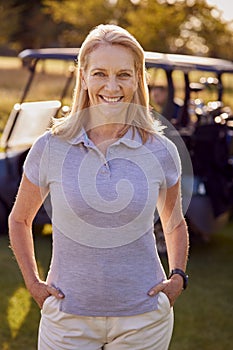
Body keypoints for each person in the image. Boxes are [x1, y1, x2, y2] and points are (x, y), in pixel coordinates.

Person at [9, 24, 189, 350]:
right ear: (83, 77)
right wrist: (34, 284)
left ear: (138, 78)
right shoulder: (51, 146)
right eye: (99, 73)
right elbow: (19, 219)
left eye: (123, 74)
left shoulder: (161, 150)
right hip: (67, 317)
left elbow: (174, 222)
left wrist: (177, 277)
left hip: (143, 319)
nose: (111, 85)